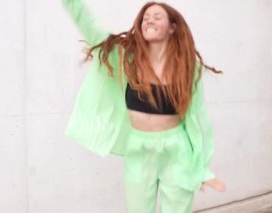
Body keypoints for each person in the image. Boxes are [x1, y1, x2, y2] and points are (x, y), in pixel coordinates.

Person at [62, 0, 226, 212]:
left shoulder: (186, 66)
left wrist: (202, 168)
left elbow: (199, 118)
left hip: (177, 151)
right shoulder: (127, 58)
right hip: (138, 148)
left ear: (172, 27)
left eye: (157, 17)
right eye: (145, 18)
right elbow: (91, 28)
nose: (149, 21)